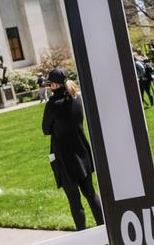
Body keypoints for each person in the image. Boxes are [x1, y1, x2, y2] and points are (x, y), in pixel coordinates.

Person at [42, 68, 104, 231]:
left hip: (64, 155)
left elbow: (45, 129)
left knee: (74, 200)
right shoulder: (76, 99)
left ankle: (83, 234)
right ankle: (104, 228)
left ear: (54, 84)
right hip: (81, 151)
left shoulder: (52, 105)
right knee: (91, 193)